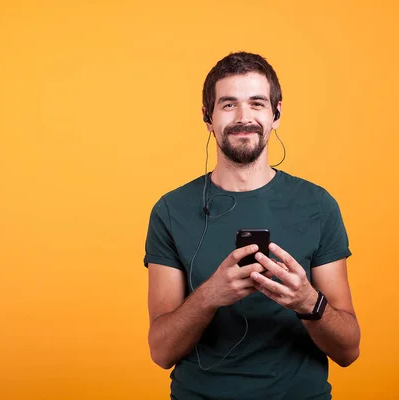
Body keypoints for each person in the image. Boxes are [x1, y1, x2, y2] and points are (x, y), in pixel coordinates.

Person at [142, 51, 361, 400]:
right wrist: (210, 295)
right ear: (207, 118)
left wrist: (307, 300)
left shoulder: (318, 205)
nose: (244, 118)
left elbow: (349, 350)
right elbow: (161, 352)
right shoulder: (170, 211)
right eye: (228, 105)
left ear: (276, 114)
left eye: (257, 103)